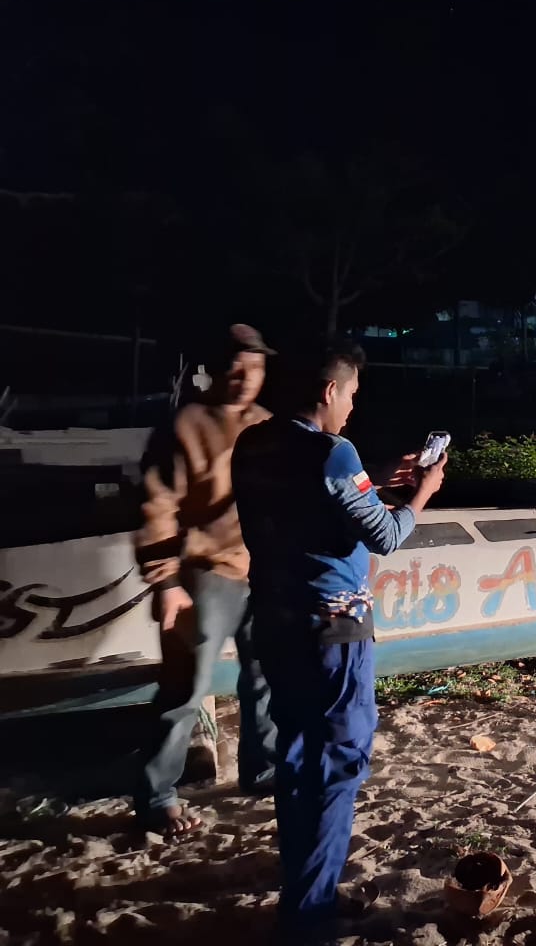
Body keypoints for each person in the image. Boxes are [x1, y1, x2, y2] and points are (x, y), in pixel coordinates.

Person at [231, 338, 446, 941]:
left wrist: (380, 489)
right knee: (340, 760)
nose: (352, 407)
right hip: (335, 627)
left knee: (297, 754)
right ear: (329, 391)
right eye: (351, 393)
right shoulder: (334, 451)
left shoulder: (253, 443)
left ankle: (305, 882)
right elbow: (384, 537)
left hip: (273, 619)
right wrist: (423, 492)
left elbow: (324, 510)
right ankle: (309, 910)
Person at [134, 323, 278, 837]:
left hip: (261, 571)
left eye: (254, 368)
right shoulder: (185, 425)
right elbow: (156, 506)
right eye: (235, 369)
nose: (244, 378)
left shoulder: (266, 424)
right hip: (203, 577)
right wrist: (165, 580)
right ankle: (157, 797)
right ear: (214, 372)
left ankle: (263, 773)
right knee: (184, 690)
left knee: (265, 681)